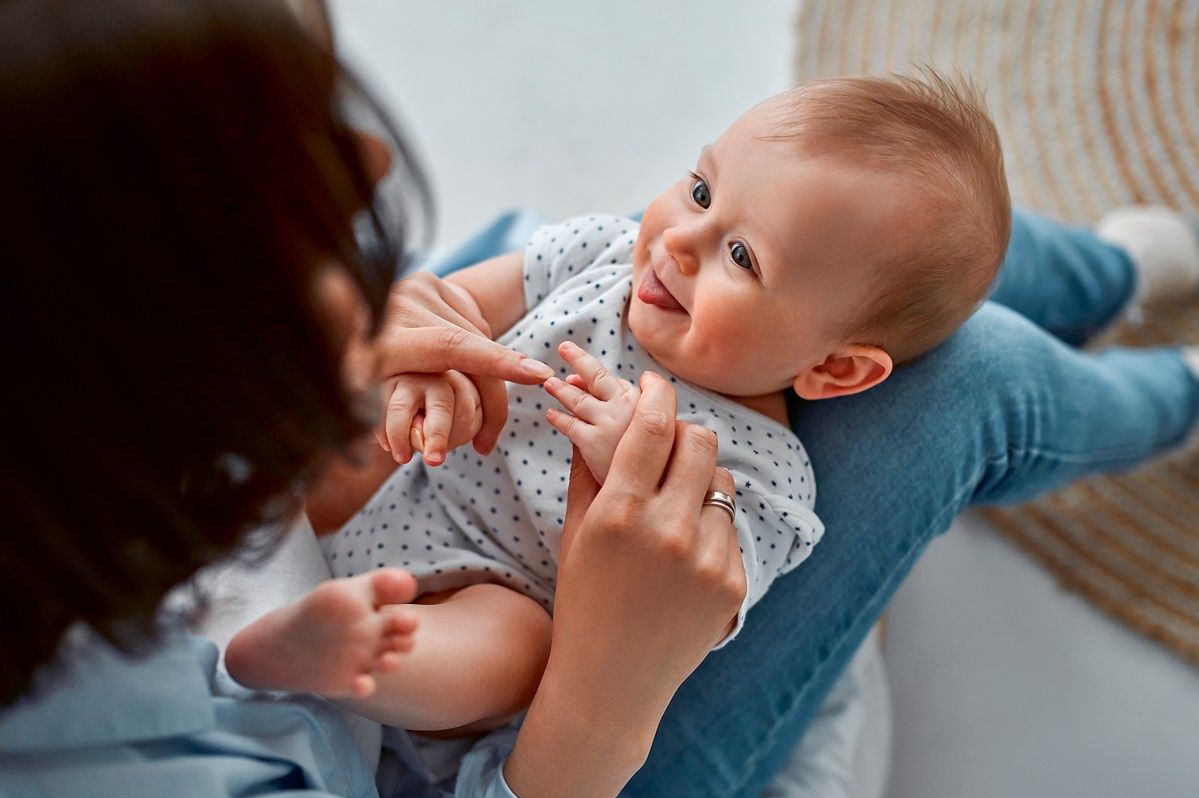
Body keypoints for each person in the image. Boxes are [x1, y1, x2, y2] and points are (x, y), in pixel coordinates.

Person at [1, 0, 1196, 798]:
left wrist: (402, 327)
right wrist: (600, 695)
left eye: (724, 242)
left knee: (852, 213)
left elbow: (474, 292)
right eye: (289, 163)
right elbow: (687, 595)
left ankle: (1096, 275)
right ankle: (1170, 392)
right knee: (955, 362)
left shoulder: (743, 433)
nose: (371, 158)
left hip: (398, 509)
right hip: (515, 716)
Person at [224, 71, 1012, 736]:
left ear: (834, 370)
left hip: (487, 588)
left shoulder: (765, 474)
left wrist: (624, 473)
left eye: (740, 255)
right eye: (701, 190)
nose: (675, 240)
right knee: (333, 423)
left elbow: (677, 615)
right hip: (411, 467)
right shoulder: (600, 253)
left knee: (515, 651)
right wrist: (427, 365)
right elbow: (447, 307)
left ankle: (348, 658)